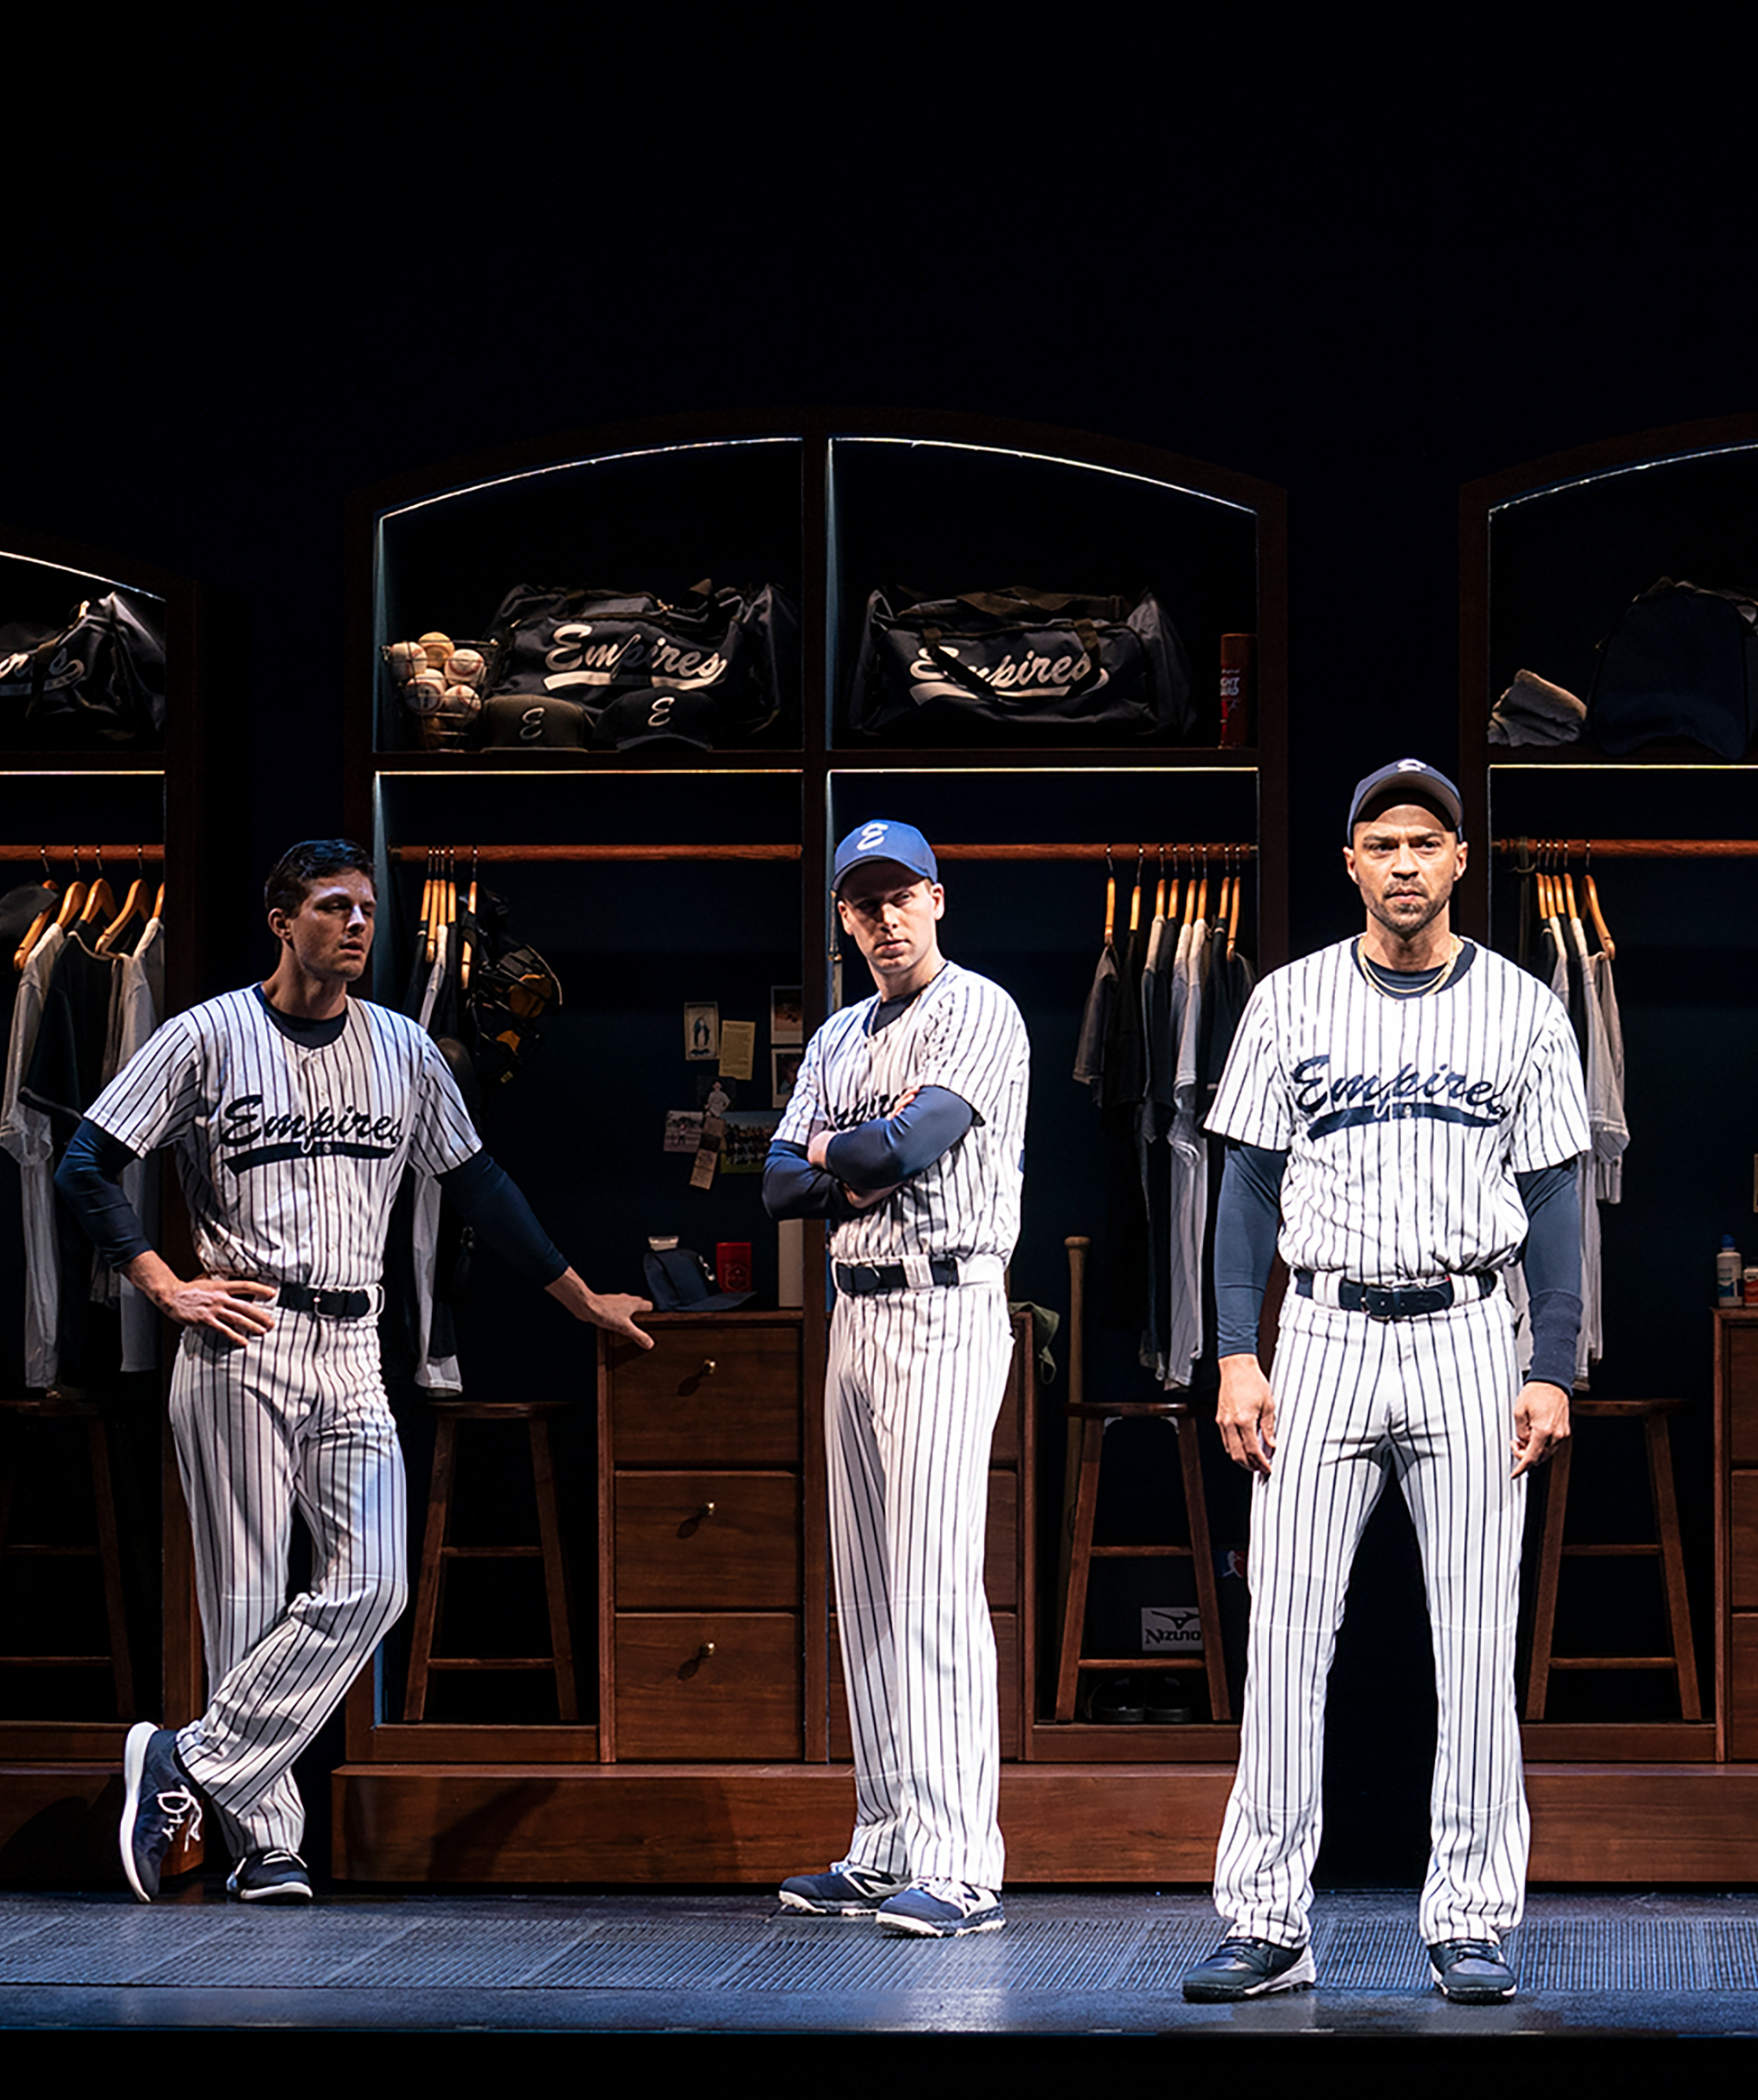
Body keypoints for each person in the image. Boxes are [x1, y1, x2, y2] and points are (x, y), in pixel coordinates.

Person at [60, 840, 650, 1905]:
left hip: (352, 1340)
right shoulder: (204, 1033)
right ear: (282, 921)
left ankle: (186, 1762)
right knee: (244, 1596)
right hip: (241, 1331)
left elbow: (480, 1187)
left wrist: (581, 1299)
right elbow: (85, 1160)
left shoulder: (405, 1046)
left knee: (372, 1581)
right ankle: (263, 1843)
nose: (359, 922)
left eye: (368, 907)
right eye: (335, 905)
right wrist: (160, 1281)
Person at [1183, 760, 1588, 2005]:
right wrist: (1236, 1353)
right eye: (1382, 842)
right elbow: (1245, 1184)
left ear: (1461, 859)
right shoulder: (1290, 999)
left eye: (1426, 840)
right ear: (1350, 862)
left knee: (1473, 1640)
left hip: (1471, 1327)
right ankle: (1263, 1919)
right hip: (1324, 1332)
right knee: (1289, 1635)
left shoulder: (1524, 1007)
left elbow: (1558, 1192)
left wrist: (1552, 1363)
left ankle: (1470, 1917)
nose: (1405, 862)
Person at [757, 818, 1034, 1938]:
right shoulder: (833, 1037)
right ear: (842, 916)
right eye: (859, 902)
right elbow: (777, 1181)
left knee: (929, 1589)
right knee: (866, 1591)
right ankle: (886, 1844)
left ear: (934, 897)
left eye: (897, 895)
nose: (880, 918)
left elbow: (891, 1151)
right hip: (855, 1314)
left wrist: (840, 1155)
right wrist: (837, 1161)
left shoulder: (977, 1007)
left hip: (944, 1303)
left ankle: (963, 1865)